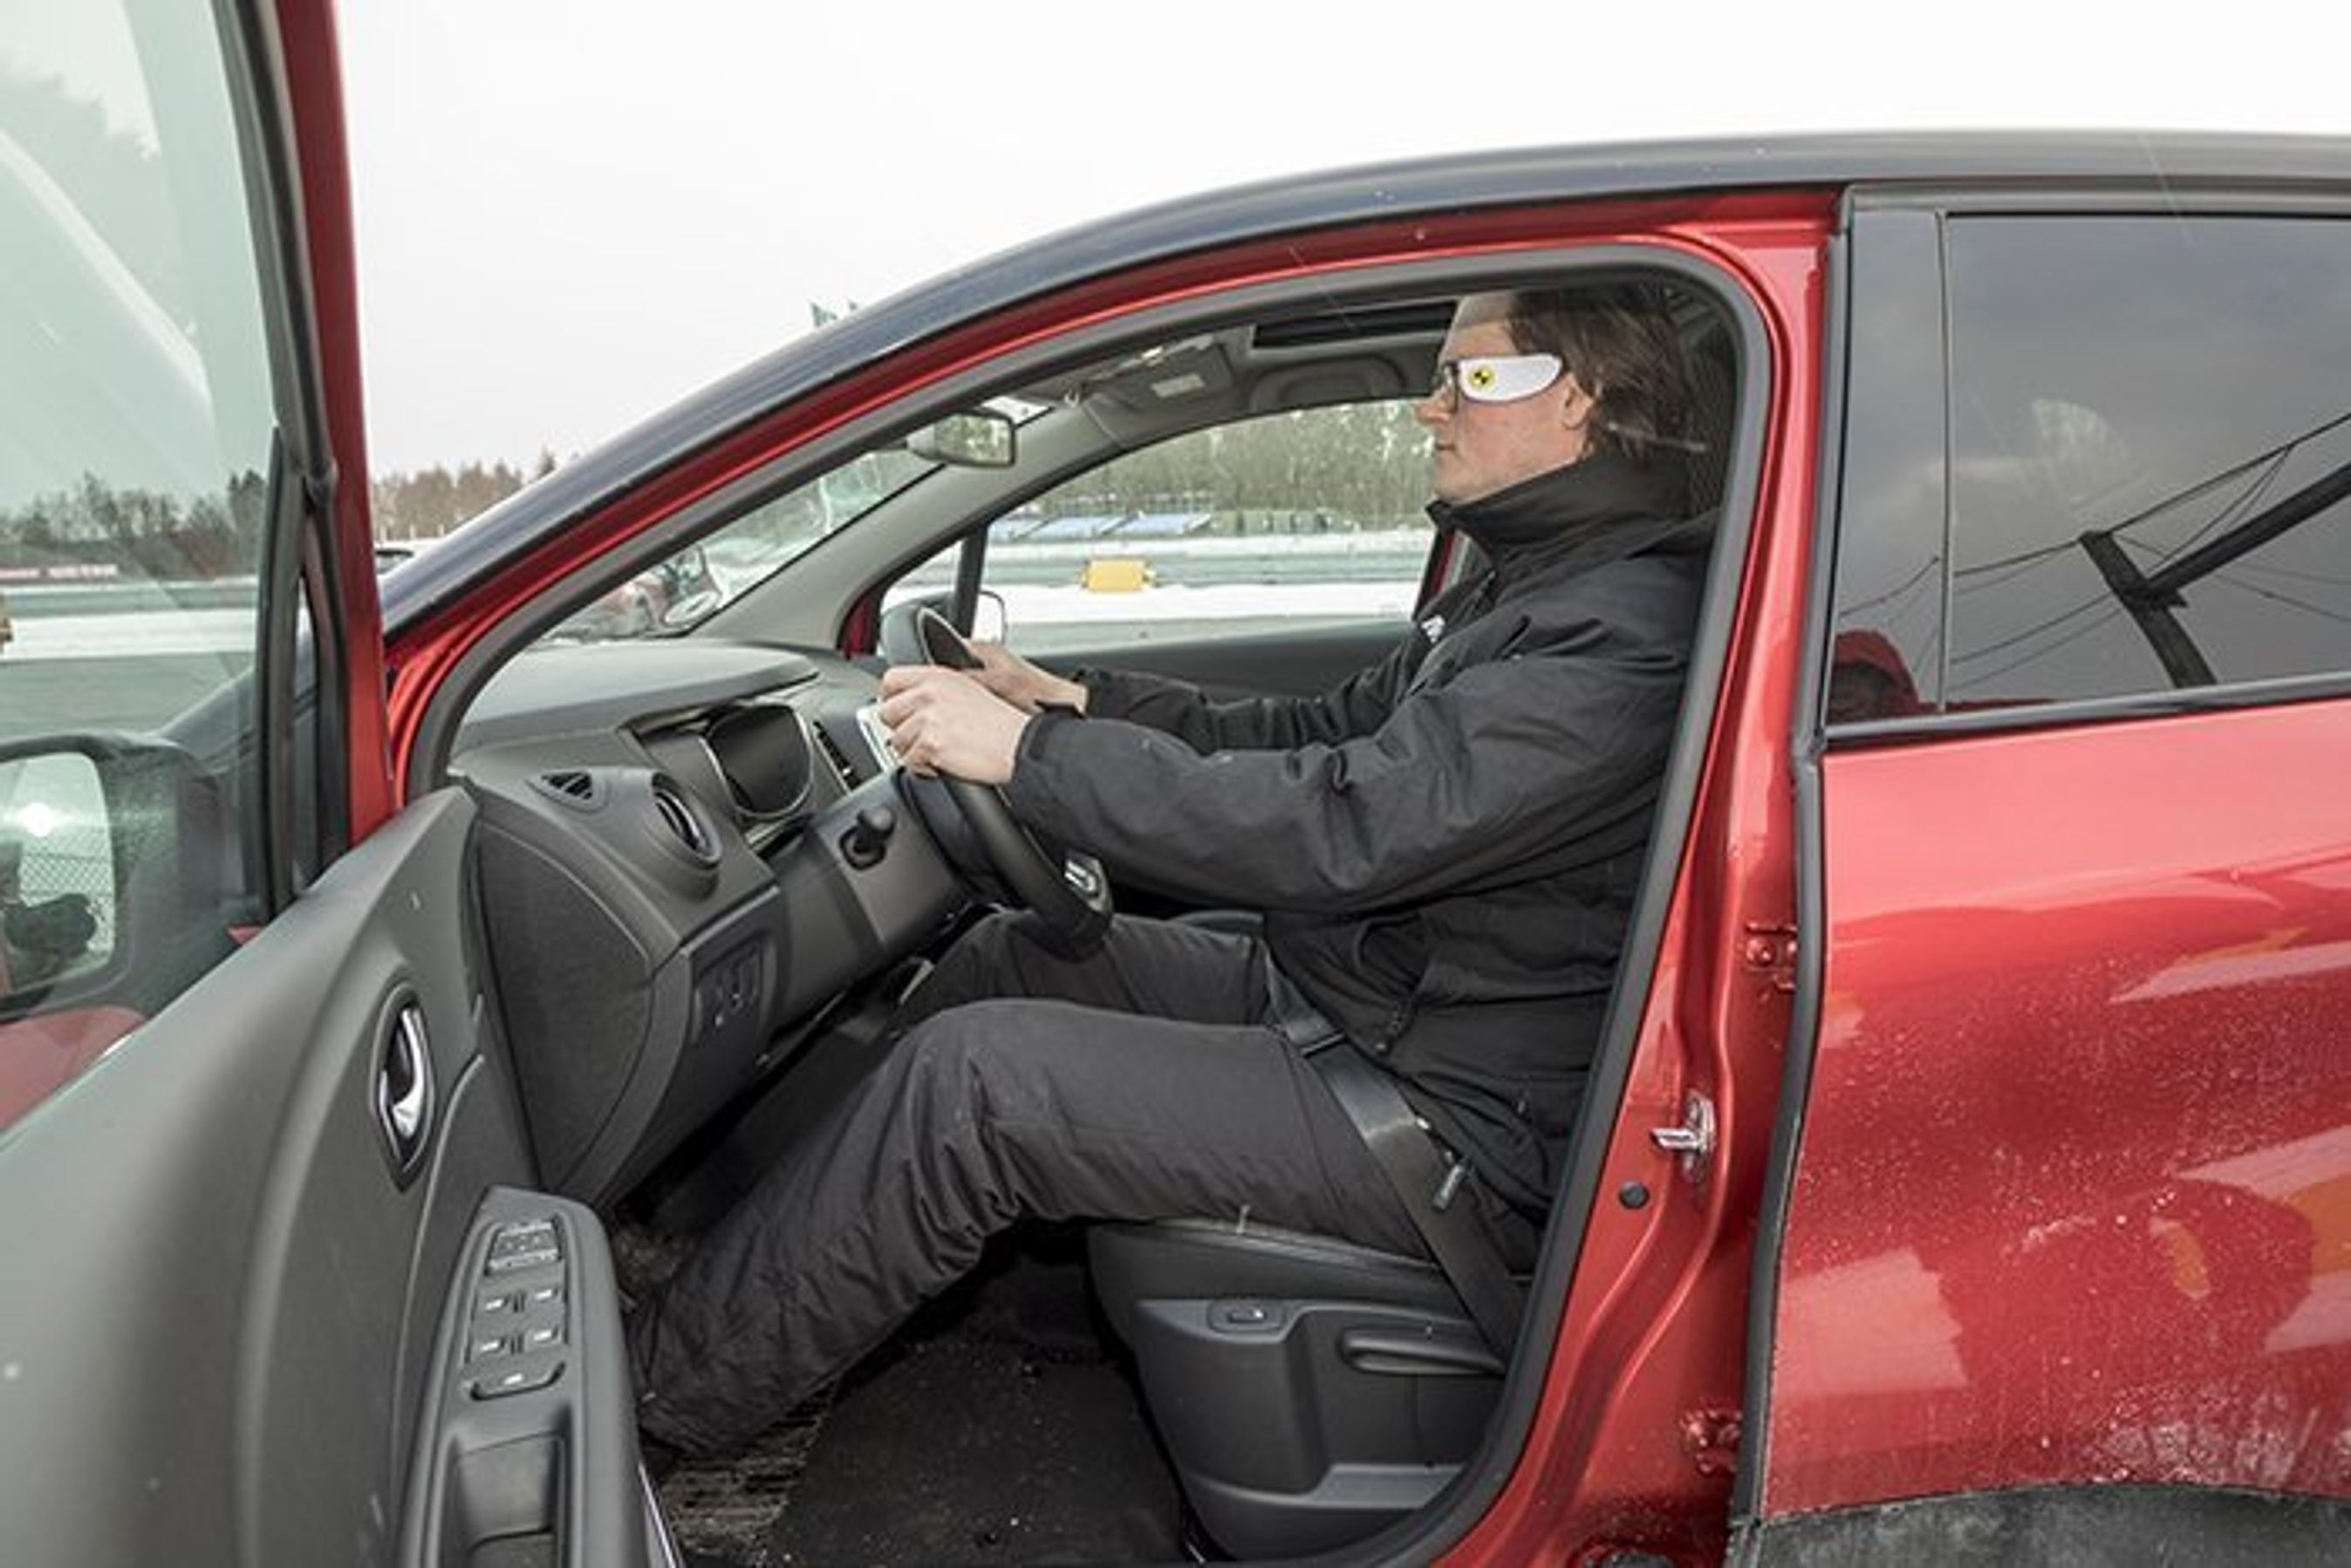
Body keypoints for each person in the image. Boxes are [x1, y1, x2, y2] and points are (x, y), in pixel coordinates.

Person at [628, 284, 1710, 1456]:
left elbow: (1349, 824)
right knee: (1006, 954)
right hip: (1368, 1001)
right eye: (1440, 378)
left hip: (1447, 1104)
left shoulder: (1618, 632)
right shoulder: (1532, 588)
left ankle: (660, 1395)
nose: (1431, 410)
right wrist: (1075, 701)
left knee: (978, 1082)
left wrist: (1032, 758)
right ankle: (738, 1263)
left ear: (1589, 401)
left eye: (1472, 378)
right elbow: (1322, 735)